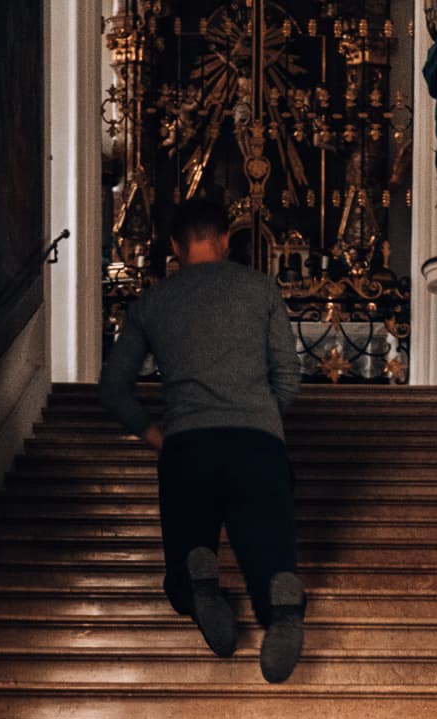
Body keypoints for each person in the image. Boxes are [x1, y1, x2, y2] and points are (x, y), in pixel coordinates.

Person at [98, 197, 308, 683]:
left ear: (175, 246)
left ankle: (196, 579)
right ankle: (280, 600)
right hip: (257, 445)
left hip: (187, 445)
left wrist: (155, 434)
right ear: (226, 240)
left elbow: (112, 387)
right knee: (268, 543)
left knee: (188, 544)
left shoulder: (153, 302)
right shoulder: (260, 288)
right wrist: (261, 420)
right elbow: (289, 376)